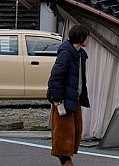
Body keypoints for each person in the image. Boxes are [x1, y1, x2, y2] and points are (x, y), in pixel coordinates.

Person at [47, 24, 90, 166]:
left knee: (74, 133)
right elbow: (55, 77)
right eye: (86, 37)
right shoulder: (66, 53)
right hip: (63, 100)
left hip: (74, 98)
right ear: (81, 37)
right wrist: (57, 99)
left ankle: (66, 161)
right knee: (64, 134)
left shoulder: (79, 55)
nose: (88, 40)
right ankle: (66, 162)